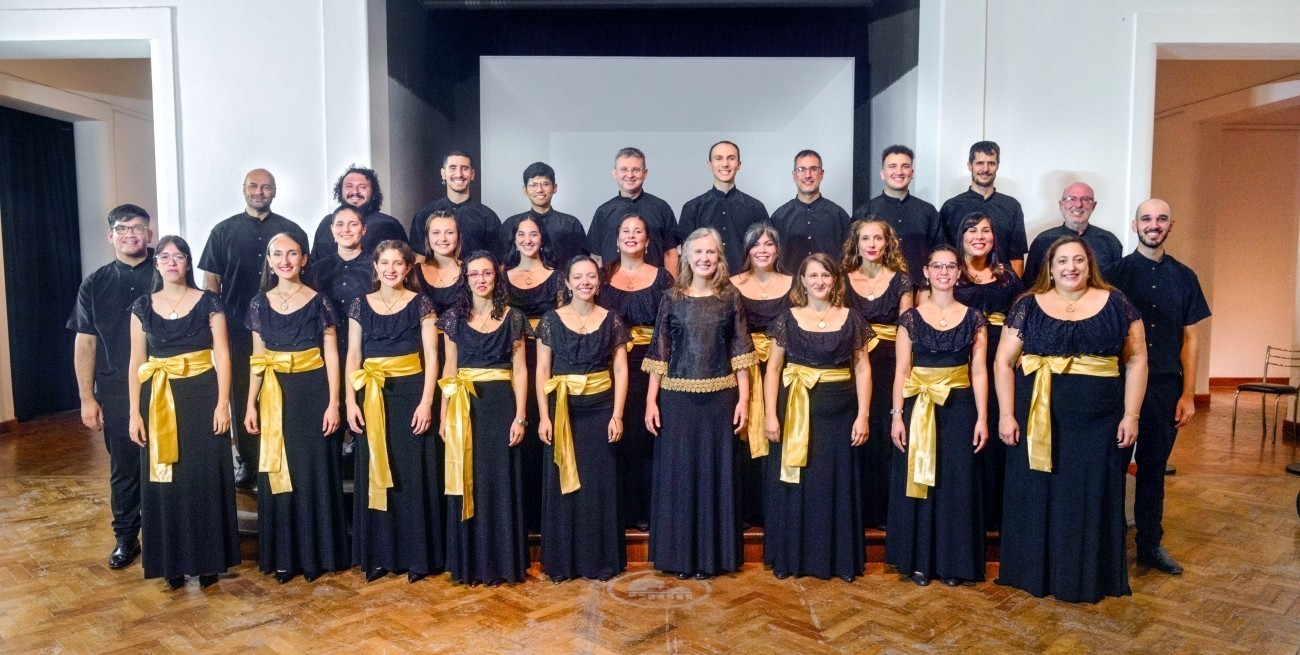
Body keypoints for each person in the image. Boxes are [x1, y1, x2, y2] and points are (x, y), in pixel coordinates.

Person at [994, 235, 1148, 603]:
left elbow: (1137, 359)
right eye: (1062, 261)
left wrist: (1131, 415)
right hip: (1038, 418)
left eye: (1078, 260)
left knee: (1089, 495)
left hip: (1099, 421)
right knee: (1040, 494)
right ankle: (1037, 574)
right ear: (1050, 267)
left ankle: (1087, 575)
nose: (1071, 268)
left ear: (1089, 263)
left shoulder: (1118, 303)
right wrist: (1005, 414)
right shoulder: (1027, 305)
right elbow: (1003, 361)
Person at [643, 227, 757, 580]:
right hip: (676, 400)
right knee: (679, 477)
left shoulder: (730, 297)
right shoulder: (671, 298)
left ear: (719, 257)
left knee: (714, 476)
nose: (705, 258)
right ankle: (679, 556)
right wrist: (651, 401)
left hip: (720, 400)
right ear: (687, 257)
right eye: (698, 253)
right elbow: (659, 351)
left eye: (711, 253)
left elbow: (740, 349)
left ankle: (713, 557)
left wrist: (745, 399)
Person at [127, 235, 238, 589]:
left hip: (203, 396)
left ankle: (209, 561)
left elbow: (222, 354)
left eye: (179, 256)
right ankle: (170, 563)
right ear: (156, 263)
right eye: (165, 256)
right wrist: (134, 412)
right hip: (159, 398)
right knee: (166, 480)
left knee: (203, 477)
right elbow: (136, 363)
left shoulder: (209, 302)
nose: (172, 262)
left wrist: (223, 403)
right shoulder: (142, 306)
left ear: (189, 263)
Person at [1106, 198, 1210, 576]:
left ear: (1171, 226)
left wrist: (1188, 394)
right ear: (1135, 226)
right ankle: (1109, 544)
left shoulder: (1185, 277)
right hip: (1118, 387)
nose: (1154, 224)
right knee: (1112, 466)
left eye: (1161, 219)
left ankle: (1150, 545)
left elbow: (1191, 339)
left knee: (1153, 469)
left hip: (1166, 386)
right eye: (1146, 219)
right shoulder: (1113, 275)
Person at [243, 233, 349, 583]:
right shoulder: (259, 303)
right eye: (277, 254)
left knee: (314, 470)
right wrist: (250, 404)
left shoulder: (321, 301)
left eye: (292, 253)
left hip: (313, 392)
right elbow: (258, 358)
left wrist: (335, 403)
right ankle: (284, 555)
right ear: (269, 261)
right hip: (274, 394)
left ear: (304, 259)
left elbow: (332, 354)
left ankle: (318, 554)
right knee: (278, 473)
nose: (285, 260)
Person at [761, 253, 872, 582]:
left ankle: (839, 561)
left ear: (835, 280)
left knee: (835, 484)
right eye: (813, 275)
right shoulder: (786, 319)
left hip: (841, 415)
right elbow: (773, 369)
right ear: (803, 282)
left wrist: (864, 414)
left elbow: (863, 368)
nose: (820, 281)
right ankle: (793, 559)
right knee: (797, 484)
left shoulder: (852, 318)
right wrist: (770, 414)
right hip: (795, 409)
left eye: (826, 275)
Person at [886, 245, 989, 587]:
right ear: (926, 273)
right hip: (918, 407)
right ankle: (918, 561)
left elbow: (979, 372)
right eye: (937, 266)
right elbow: (901, 371)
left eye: (950, 266)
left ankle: (953, 562)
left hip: (960, 408)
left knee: (955, 483)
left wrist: (983, 418)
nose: (944, 272)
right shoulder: (910, 319)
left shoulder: (975, 317)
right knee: (920, 482)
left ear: (960, 273)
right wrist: (897, 415)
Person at [201, 169, 310, 488]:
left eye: (266, 187)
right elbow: (211, 285)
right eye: (253, 186)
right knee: (240, 393)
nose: (259, 191)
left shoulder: (291, 230)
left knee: (284, 392)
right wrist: (212, 329)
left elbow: (307, 276)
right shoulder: (222, 231)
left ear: (275, 192)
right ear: (243, 189)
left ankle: (286, 453)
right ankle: (248, 460)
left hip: (285, 328)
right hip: (236, 330)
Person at [344, 240, 442, 584]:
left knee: (411, 474)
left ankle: (417, 557)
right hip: (372, 394)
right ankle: (380, 556)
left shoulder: (422, 304)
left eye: (397, 263)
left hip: (411, 394)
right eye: (384, 263)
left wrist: (427, 402)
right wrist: (350, 401)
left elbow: (432, 357)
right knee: (375, 473)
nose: (390, 269)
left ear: (407, 268)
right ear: (375, 266)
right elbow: (353, 356)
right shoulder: (359, 304)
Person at [68, 204, 155, 570]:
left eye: (138, 228)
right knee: (125, 467)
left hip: (167, 383)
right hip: (117, 388)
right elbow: (85, 343)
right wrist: (87, 398)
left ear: (149, 234)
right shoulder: (95, 283)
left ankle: (168, 535)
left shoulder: (167, 272)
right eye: (122, 229)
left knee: (169, 463)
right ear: (111, 236)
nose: (131, 234)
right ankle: (125, 538)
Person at [535, 255, 631, 582]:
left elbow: (620, 369)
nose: (585, 282)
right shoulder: (550, 320)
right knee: (564, 486)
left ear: (599, 281)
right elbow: (542, 371)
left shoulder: (612, 320)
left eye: (591, 276)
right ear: (567, 282)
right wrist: (544, 416)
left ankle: (598, 561)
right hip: (564, 411)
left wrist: (617, 415)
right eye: (578, 277)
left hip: (601, 409)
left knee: (598, 487)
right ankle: (563, 563)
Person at [438, 251, 531, 586]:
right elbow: (449, 369)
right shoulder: (451, 318)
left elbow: (520, 370)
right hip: (465, 406)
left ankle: (503, 564)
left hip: (501, 406)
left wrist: (520, 416)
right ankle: (470, 564)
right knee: (468, 480)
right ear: (466, 279)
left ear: (496, 277)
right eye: (474, 274)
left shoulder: (514, 317)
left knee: (499, 481)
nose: (480, 279)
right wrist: (444, 413)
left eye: (487, 273)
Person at [596, 213, 674, 531]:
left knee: (648, 437)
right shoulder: (601, 277)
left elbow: (670, 329)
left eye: (637, 231)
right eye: (625, 231)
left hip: (652, 366)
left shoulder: (664, 279)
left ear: (647, 241)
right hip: (609, 366)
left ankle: (647, 512)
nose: (631, 235)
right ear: (616, 240)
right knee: (615, 436)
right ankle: (618, 511)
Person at [949, 212, 1023, 533]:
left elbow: (1022, 320)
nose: (979, 236)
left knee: (994, 432)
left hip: (1001, 360)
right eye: (971, 230)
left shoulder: (1008, 278)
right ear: (960, 236)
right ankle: (965, 513)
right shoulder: (949, 273)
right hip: (960, 359)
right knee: (965, 431)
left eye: (986, 230)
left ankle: (995, 516)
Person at [842, 218, 913, 529]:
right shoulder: (841, 280)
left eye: (878, 238)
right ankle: (854, 510)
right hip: (850, 365)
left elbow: (907, 330)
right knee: (853, 434)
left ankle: (883, 513)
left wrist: (904, 370)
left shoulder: (901, 281)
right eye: (865, 238)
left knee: (884, 436)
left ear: (888, 243)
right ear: (856, 244)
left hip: (888, 366)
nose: (871, 244)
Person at [503, 215, 565, 534]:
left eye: (534, 234)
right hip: (511, 359)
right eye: (522, 234)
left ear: (543, 239)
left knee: (546, 425)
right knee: (518, 427)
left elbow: (560, 320)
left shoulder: (557, 277)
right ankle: (521, 514)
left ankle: (546, 513)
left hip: (547, 360)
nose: (528, 239)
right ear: (514, 239)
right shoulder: (502, 276)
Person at [730, 222, 794, 528]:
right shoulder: (731, 284)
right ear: (747, 250)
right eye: (756, 244)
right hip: (741, 368)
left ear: (778, 249)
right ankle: (746, 510)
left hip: (784, 370)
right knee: (743, 437)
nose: (763, 250)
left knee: (778, 431)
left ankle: (776, 509)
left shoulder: (795, 284)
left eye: (769, 244)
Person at [853, 145, 946, 283]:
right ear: (882, 173)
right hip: (876, 290)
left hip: (920, 290)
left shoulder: (928, 211)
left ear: (912, 173)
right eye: (892, 166)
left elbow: (940, 253)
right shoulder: (865, 211)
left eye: (905, 166)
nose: (899, 171)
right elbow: (852, 256)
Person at [676, 141, 770, 273]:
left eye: (731, 158)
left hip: (746, 284)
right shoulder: (692, 208)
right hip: (706, 285)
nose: (725, 164)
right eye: (718, 158)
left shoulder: (756, 207)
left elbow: (765, 251)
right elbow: (687, 256)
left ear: (739, 165)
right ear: (710, 164)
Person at [939, 142, 1028, 277]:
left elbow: (1016, 257)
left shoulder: (1012, 206)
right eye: (980, 163)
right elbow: (943, 254)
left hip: (1002, 286)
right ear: (970, 166)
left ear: (997, 165)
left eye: (991, 163)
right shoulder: (951, 207)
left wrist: (1015, 291)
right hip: (961, 286)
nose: (985, 169)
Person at [587, 147, 680, 273]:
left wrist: (672, 290)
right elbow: (596, 258)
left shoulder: (661, 208)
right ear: (614, 173)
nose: (630, 175)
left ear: (645, 173)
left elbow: (670, 254)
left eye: (636, 170)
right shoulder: (603, 212)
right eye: (624, 169)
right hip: (610, 288)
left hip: (655, 289)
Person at [1024, 182, 1123, 283]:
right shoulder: (1042, 241)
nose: (1079, 204)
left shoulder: (1109, 241)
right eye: (1071, 199)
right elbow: (1030, 286)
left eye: (1086, 199)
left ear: (1093, 206)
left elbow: (1118, 285)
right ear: (1061, 205)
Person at [310, 205, 371, 365]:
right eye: (340, 224)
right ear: (332, 229)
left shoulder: (378, 267)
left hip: (367, 351)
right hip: (325, 351)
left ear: (364, 229)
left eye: (353, 224)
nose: (346, 229)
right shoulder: (316, 269)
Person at [410, 151, 502, 257]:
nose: (459, 174)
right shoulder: (424, 215)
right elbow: (418, 257)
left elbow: (496, 261)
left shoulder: (488, 217)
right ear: (443, 173)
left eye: (464, 168)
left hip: (473, 273)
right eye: (453, 168)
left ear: (472, 174)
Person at [309, 165, 407, 263]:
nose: (355, 192)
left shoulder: (389, 224)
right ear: (340, 190)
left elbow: (404, 263)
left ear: (373, 192)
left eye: (362, 187)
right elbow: (313, 264)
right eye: (349, 186)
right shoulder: (326, 223)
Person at [770, 149, 851, 267]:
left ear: (822, 174)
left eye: (813, 169)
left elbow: (849, 257)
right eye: (801, 170)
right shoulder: (779, 217)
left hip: (830, 284)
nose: (807, 175)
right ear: (794, 175)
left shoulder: (839, 216)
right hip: (791, 285)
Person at [498, 162, 587, 267]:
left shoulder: (571, 224)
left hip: (562, 282)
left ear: (554, 188)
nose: (539, 190)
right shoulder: (511, 224)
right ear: (525, 190)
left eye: (545, 184)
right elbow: (501, 263)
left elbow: (582, 263)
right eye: (533, 185)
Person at [416, 211, 463, 315]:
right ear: (428, 237)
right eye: (436, 233)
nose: (443, 238)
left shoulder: (469, 272)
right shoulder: (414, 272)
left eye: (450, 232)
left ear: (458, 236)